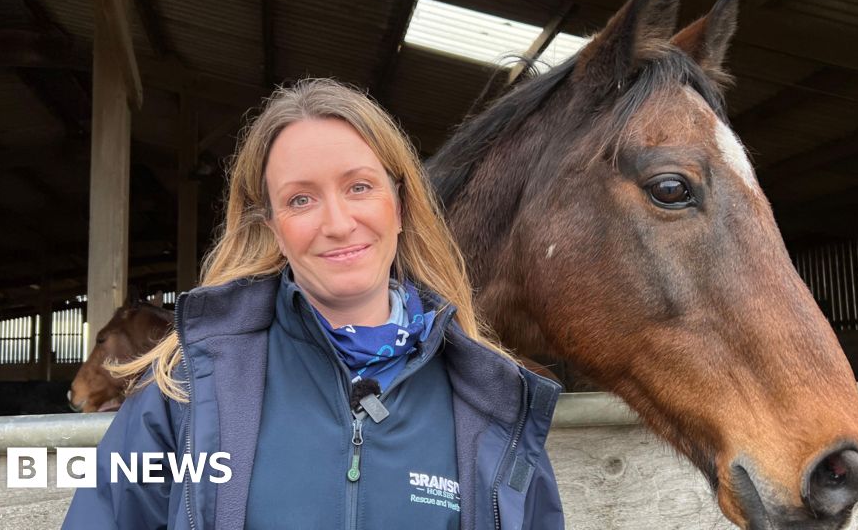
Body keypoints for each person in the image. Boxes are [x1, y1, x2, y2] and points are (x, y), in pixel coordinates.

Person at [62, 79, 564, 530]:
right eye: (301, 199)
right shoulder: (187, 389)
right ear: (272, 227)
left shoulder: (489, 398)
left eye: (360, 187)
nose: (338, 223)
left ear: (401, 206)